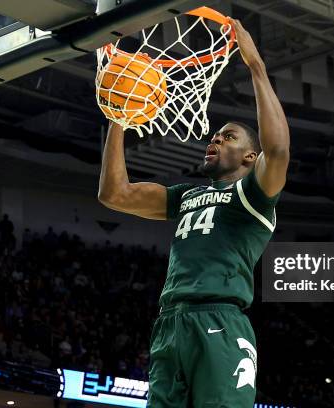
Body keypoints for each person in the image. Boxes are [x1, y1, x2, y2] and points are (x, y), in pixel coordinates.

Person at [97, 19, 289, 407]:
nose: (216, 137)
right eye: (216, 133)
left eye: (229, 136)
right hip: (170, 323)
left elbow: (280, 150)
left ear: (250, 157)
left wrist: (256, 67)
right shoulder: (186, 195)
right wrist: (119, 115)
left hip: (220, 319)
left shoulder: (254, 193)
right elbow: (114, 194)